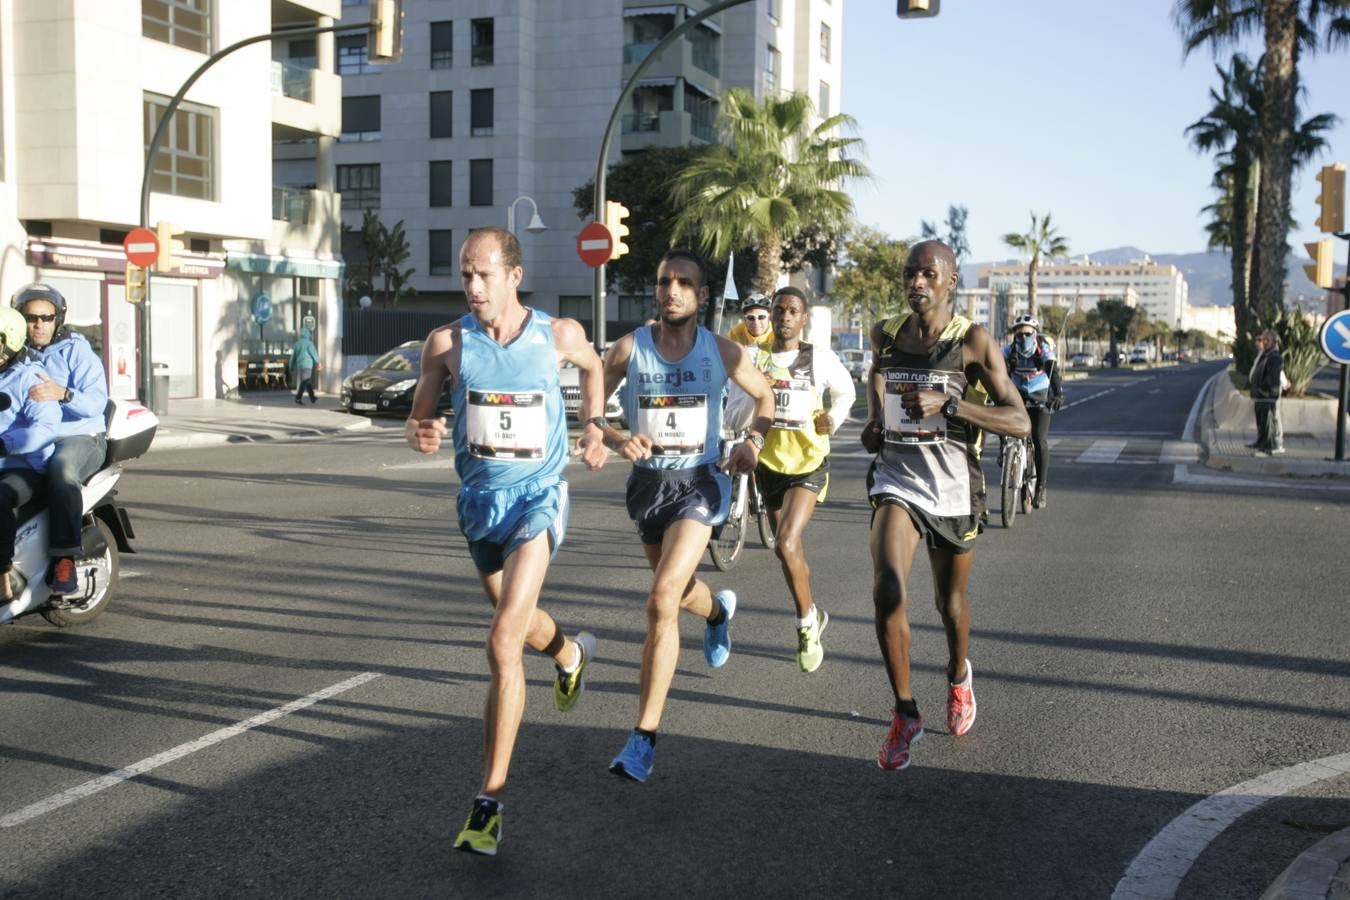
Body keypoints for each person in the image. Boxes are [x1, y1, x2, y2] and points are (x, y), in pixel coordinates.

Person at [405, 227, 609, 857]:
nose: (472, 286)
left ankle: (489, 801)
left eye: (483, 275)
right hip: (479, 507)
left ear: (514, 275)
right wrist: (422, 432)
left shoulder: (557, 336)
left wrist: (595, 428)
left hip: (538, 500)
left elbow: (596, 366)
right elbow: (420, 414)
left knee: (499, 640)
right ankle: (571, 652)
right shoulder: (447, 345)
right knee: (517, 626)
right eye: (465, 274)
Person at [592, 248, 774, 783]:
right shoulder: (630, 348)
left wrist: (754, 442)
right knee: (676, 590)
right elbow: (592, 401)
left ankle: (643, 738)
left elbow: (764, 397)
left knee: (661, 598)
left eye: (684, 283)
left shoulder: (723, 352)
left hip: (700, 481)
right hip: (648, 486)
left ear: (701, 296)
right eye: (664, 281)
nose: (672, 290)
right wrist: (617, 436)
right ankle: (717, 612)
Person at [860, 240, 1029, 771]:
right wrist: (874, 423)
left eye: (928, 274)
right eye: (910, 273)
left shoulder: (973, 342)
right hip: (897, 480)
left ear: (951, 281)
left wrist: (952, 404)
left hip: (954, 488)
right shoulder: (885, 334)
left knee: (948, 604)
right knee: (887, 587)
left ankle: (958, 675)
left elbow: (1019, 420)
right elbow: (878, 378)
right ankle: (906, 712)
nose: (917, 282)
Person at [726, 286, 854, 672]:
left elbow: (845, 393)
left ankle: (804, 626)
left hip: (809, 461)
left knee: (786, 540)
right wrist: (757, 392)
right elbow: (733, 417)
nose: (783, 316)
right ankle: (812, 612)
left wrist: (832, 419)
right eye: (778, 309)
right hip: (770, 465)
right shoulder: (751, 358)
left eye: (792, 310)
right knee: (787, 551)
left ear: (803, 318)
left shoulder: (818, 358)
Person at [12, 284, 109, 596]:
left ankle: (64, 556)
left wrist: (63, 393)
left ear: (58, 319)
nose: (39, 324)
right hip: (35, 436)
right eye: (31, 318)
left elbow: (96, 401)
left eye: (46, 317)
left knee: (61, 469)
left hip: (79, 436)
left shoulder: (76, 351)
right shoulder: (16, 355)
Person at [0, 306, 61, 601]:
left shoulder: (31, 378)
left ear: (8, 341)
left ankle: (3, 573)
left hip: (24, 464)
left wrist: (5, 443)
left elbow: (45, 427)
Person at [1003, 314, 1063, 508]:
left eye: (1027, 334)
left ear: (1035, 334)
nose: (1022, 338)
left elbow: (1053, 371)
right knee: (1002, 421)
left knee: (1039, 439)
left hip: (1040, 397)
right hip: (1018, 395)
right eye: (1018, 335)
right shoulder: (1009, 350)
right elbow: (996, 372)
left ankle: (1040, 489)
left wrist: (1058, 394)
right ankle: (1006, 452)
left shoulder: (1042, 349)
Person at [1249, 329, 1286, 455]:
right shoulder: (1265, 355)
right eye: (1262, 339)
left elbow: (1273, 378)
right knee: (1262, 423)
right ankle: (1263, 444)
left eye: (1267, 340)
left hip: (1267, 396)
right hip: (1260, 396)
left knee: (1269, 423)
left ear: (1274, 342)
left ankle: (1271, 447)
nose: (1263, 342)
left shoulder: (1274, 357)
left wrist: (1263, 389)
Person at [290, 326, 321, 405]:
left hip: (300, 365)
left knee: (306, 381)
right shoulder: (309, 343)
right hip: (307, 365)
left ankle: (312, 397)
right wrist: (318, 362)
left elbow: (293, 357)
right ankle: (298, 398)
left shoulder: (297, 344)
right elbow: (313, 354)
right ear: (308, 334)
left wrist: (291, 366)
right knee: (305, 381)